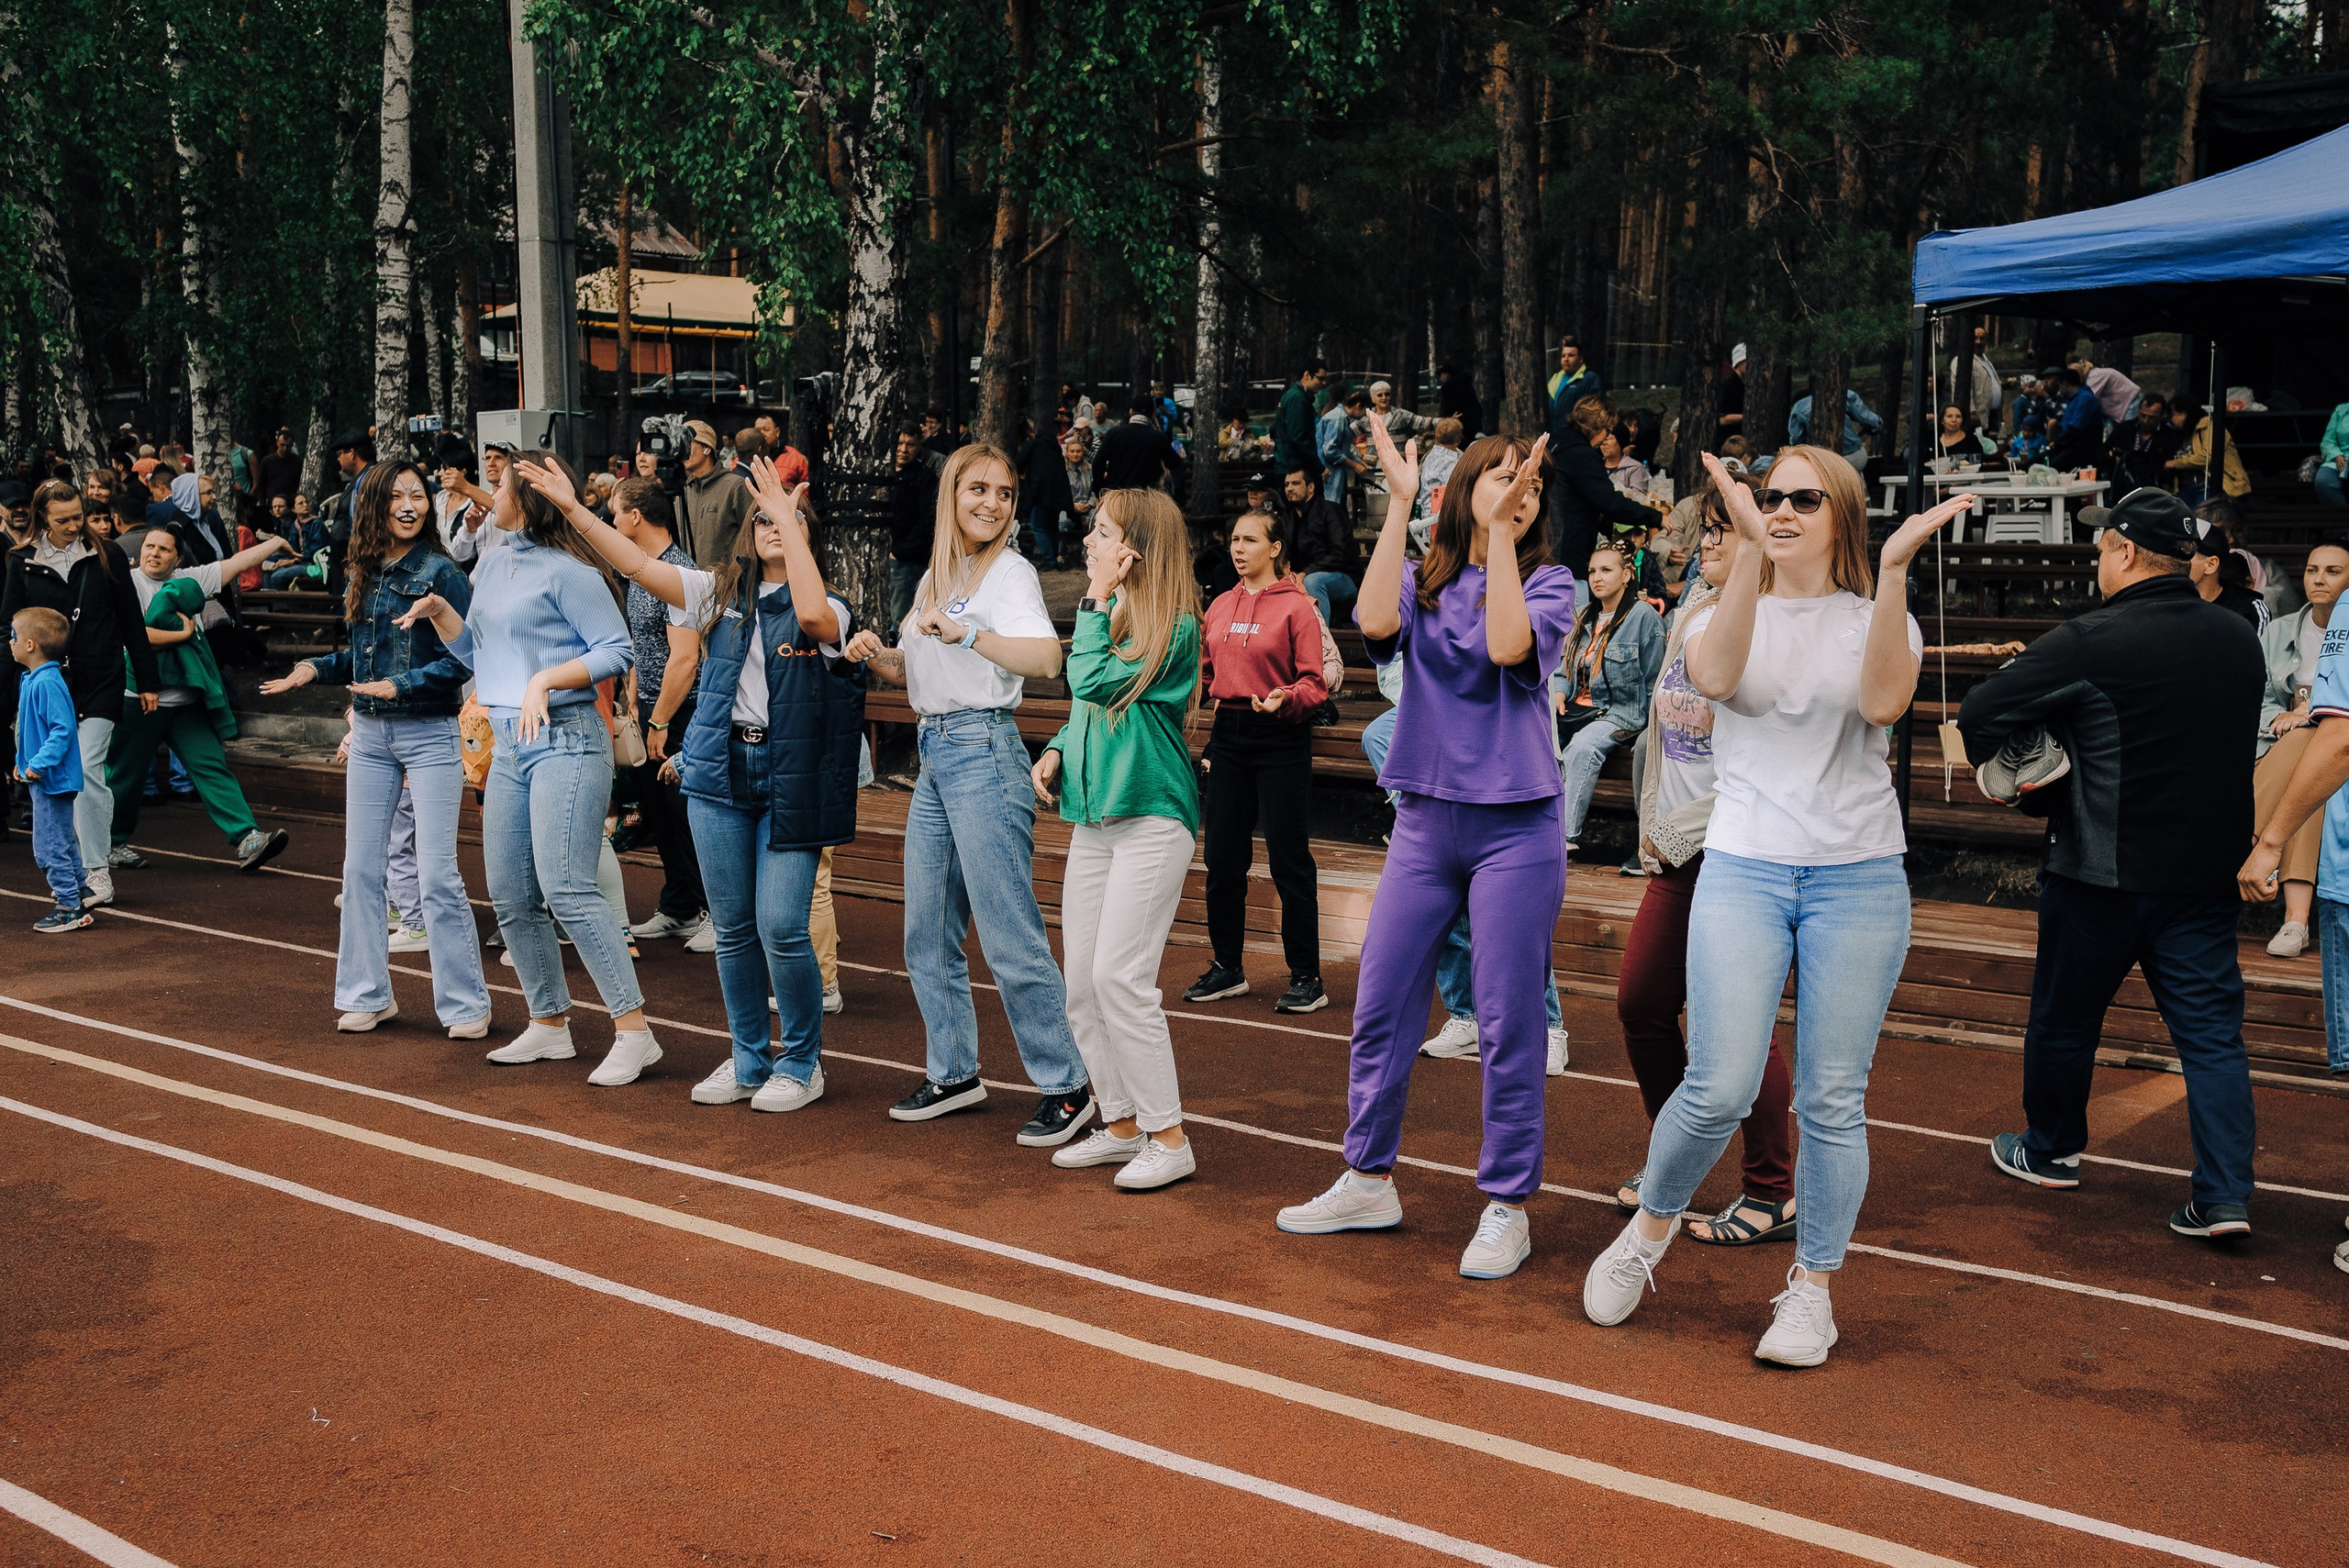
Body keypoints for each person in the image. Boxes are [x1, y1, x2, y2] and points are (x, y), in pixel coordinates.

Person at [1583, 446, 1965, 1366]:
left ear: (1841, 515)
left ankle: (1811, 1290)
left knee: (1835, 1099)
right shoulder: (1719, 607)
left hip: (1857, 875)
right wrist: (1749, 547)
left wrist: (1895, 573)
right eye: (1770, 497)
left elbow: (1881, 699)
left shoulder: (1880, 615)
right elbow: (1714, 682)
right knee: (1718, 1084)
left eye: (1804, 498)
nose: (1782, 509)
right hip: (1745, 864)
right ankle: (1646, 1234)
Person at [1276, 423, 1576, 1280]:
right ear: (1465, 487)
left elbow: (1508, 645)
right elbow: (1371, 620)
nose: (1519, 490)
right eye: (1501, 478)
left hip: (1517, 827)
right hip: (1425, 820)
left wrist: (1505, 541)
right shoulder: (1421, 578)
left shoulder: (1550, 581)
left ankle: (1508, 1202)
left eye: (1529, 484)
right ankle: (1368, 1175)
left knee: (1508, 1019)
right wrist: (1402, 501)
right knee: (1380, 1002)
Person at [511, 454, 861, 1114]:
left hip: (792, 778)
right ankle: (752, 1057)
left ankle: (804, 1061)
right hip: (719, 771)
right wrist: (575, 507)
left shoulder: (830, 605)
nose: (773, 524)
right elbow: (638, 565)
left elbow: (814, 620)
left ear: (807, 531)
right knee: (732, 927)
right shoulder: (719, 591)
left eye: (787, 517)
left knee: (782, 924)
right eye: (762, 516)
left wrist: (787, 511)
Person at [1957, 487, 2263, 1240]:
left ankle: (2051, 1149)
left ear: (2125, 550)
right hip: (2203, 876)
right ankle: (2224, 1197)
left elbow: (1978, 714)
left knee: (2064, 1024)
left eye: (2103, 544)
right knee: (2213, 1038)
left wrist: (2045, 754)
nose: (2099, 554)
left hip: (2098, 872)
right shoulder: (2238, 638)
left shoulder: (2092, 636)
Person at [842, 444, 1096, 1142]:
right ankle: (954, 1070)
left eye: (1006, 493)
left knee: (1009, 932)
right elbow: (922, 673)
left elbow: (1047, 659)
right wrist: (879, 655)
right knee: (926, 931)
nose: (992, 503)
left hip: (985, 752)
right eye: (978, 489)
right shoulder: (937, 575)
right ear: (951, 494)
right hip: (938, 754)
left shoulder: (1009, 572)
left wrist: (971, 631)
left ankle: (1068, 1084)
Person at [395, 450, 661, 1087]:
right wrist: (442, 616)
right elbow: (478, 654)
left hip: (567, 737)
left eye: (502, 483)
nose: (492, 489)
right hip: (510, 741)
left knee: (567, 887)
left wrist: (547, 678)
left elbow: (616, 649)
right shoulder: (494, 557)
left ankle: (635, 1031)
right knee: (511, 892)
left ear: (529, 495)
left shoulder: (571, 571)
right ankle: (549, 1022)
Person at [1614, 475, 1798, 1244]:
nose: (1710, 541)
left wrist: (1684, 828)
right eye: (1707, 529)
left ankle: (1773, 1188)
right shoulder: (1691, 611)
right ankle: (1678, 1157)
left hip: (1737, 845)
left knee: (1744, 1025)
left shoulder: (1774, 623)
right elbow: (1665, 739)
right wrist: (1655, 821)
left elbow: (1763, 760)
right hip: (1679, 845)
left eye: (1727, 528)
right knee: (1642, 1004)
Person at [257, 462, 488, 1038]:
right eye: (396, 495)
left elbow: (468, 659)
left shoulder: (443, 571)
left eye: (418, 494)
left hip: (430, 733)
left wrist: (400, 687)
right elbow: (364, 660)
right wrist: (313, 668)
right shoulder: (360, 569)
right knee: (361, 869)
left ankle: (467, 1006)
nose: (410, 504)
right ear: (373, 504)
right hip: (369, 734)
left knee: (437, 876)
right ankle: (367, 994)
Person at [1029, 487, 1204, 1191]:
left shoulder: (1175, 625)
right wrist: (1059, 746)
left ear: (1137, 547)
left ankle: (1170, 1134)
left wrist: (1095, 595)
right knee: (1081, 983)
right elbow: (1087, 707)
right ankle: (1123, 1121)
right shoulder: (1117, 612)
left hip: (1153, 817)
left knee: (1119, 980)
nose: (1090, 543)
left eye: (1102, 534)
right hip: (1097, 818)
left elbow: (1096, 678)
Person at [1185, 508, 1330, 1014]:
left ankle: (1307, 977)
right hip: (1229, 734)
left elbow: (1316, 682)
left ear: (1275, 548)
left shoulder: (1298, 607)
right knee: (1223, 858)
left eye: (1250, 539)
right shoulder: (1219, 605)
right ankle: (1228, 967)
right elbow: (1201, 679)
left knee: (1289, 859)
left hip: (1281, 735)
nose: (1238, 547)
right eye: (1234, 538)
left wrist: (1286, 698)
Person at [1, 480, 160, 909]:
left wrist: (146, 680)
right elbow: (9, 630)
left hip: (102, 679)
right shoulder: (22, 560)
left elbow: (131, 620)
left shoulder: (105, 555)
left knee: (88, 770)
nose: (74, 526)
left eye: (79, 516)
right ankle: (71, 870)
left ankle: (97, 871)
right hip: (50, 688)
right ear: (42, 519)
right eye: (63, 520)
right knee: (56, 776)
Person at [109, 527, 295, 871]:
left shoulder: (188, 579)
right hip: (139, 697)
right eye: (150, 546)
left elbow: (236, 564)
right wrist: (181, 632)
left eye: (164, 549)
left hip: (184, 701)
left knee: (211, 766)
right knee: (123, 775)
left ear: (177, 558)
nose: (154, 553)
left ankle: (247, 838)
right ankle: (110, 842)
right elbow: (134, 634)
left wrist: (273, 543)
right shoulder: (126, 583)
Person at [601, 474, 710, 954]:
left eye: (614, 512)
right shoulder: (642, 570)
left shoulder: (677, 572)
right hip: (651, 707)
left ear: (636, 516)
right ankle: (681, 906)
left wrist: (660, 722)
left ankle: (714, 912)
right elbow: (642, 643)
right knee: (663, 814)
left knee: (688, 814)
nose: (610, 520)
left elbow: (685, 659)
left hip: (680, 712)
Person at [2250, 541, 2349, 959]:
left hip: (2329, 742)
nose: (2319, 580)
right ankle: (2295, 919)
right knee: (2306, 764)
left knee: (2314, 773)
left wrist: (2311, 714)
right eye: (2312, 570)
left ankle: (2251, 848)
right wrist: (2281, 718)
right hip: (2277, 740)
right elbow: (2256, 696)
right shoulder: (2278, 630)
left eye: (2332, 571)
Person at [1553, 539, 1664, 849]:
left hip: (1621, 712)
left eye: (1606, 569)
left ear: (1627, 575)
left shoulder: (1643, 617)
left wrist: (1647, 725)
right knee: (1536, 741)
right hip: (1577, 710)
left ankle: (1564, 838)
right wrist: (1560, 693)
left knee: (1582, 748)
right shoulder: (1584, 616)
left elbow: (1655, 678)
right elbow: (1564, 669)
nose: (1597, 577)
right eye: (1591, 571)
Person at [12, 607, 92, 932]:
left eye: (14, 637)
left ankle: (68, 905)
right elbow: (31, 731)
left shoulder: (47, 682)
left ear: (30, 645)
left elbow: (62, 730)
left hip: (52, 779)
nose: (9, 641)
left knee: (48, 845)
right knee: (62, 838)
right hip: (45, 777)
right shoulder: (35, 679)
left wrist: (37, 766)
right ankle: (80, 890)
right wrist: (23, 765)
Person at [1550, 395, 1661, 590]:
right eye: (1608, 430)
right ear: (1597, 427)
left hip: (1546, 548)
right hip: (1568, 556)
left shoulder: (1555, 443)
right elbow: (1610, 503)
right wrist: (1655, 517)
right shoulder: (1581, 455)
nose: (1605, 438)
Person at [1280, 466, 1361, 628]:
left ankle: (1321, 643)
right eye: (1287, 484)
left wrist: (1305, 573)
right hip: (1302, 577)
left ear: (1310, 487)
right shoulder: (1288, 518)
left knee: (1313, 581)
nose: (1289, 488)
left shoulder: (1330, 511)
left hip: (1344, 577)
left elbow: (1340, 553)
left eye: (1295, 483)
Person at [679, 418, 758, 567]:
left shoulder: (735, 486)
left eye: (687, 443)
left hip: (724, 585)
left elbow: (752, 538)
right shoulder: (682, 492)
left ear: (706, 449)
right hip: (686, 585)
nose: (682, 450)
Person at [888, 423, 940, 631]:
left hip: (907, 559)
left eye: (910, 444)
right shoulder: (881, 473)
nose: (903, 449)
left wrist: (899, 552)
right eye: (900, 443)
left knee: (900, 616)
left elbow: (928, 521)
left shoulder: (925, 478)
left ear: (919, 447)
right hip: (885, 553)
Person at [1093, 395, 1182, 492]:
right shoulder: (1158, 437)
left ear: (1131, 411)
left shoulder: (1114, 433)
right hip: (1146, 497)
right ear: (1153, 413)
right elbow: (1173, 463)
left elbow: (1098, 463)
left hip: (1116, 496)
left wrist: (1099, 491)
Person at [2191, 527, 2267, 630]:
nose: (2172, 560)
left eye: (2184, 553)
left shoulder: (2248, 610)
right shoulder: (2167, 601)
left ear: (2210, 565)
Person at [1785, 387, 1881, 459]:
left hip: (1822, 460)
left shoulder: (1798, 408)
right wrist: (1876, 425)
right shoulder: (1845, 394)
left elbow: (1796, 440)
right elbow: (1871, 420)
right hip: (1853, 455)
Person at [1272, 361, 1327, 484]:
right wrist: (1319, 467)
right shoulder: (1298, 399)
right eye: (1320, 378)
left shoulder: (1294, 395)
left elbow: (1274, 429)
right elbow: (1298, 437)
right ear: (1307, 375)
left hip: (1289, 465)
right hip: (1295, 470)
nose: (1324, 383)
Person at [2045, 366, 2107, 472]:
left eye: (2060, 387)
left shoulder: (2085, 398)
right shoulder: (2074, 399)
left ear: (2064, 384)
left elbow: (2075, 429)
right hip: (2071, 443)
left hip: (2083, 446)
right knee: (2038, 460)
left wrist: (2058, 443)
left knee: (2054, 464)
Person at [2114, 394, 2180, 490]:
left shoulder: (2170, 436)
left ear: (2161, 416)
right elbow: (2102, 453)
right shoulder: (2125, 428)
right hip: (2124, 484)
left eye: (2152, 417)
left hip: (2155, 487)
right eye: (2143, 415)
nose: (2145, 420)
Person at [1318, 388, 1368, 506]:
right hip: (1329, 473)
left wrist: (1359, 461)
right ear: (1358, 405)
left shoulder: (1344, 418)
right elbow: (1330, 450)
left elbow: (1343, 449)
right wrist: (1354, 465)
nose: (1365, 414)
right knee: (1331, 509)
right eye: (1365, 410)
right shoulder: (1337, 418)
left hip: (1337, 475)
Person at [1416, 418, 1465, 519]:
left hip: (1426, 517)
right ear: (1458, 439)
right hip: (1443, 520)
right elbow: (1454, 494)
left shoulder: (1428, 457)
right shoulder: (1452, 462)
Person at [1546, 336, 1604, 416]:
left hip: (1575, 427)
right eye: (1563, 356)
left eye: (1571, 355)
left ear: (1581, 359)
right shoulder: (1555, 379)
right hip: (1553, 428)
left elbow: (1595, 411)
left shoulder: (1590, 379)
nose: (1566, 359)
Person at [1930, 403, 1996, 465]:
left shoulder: (1972, 440)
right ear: (1942, 420)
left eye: (1958, 416)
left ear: (1963, 420)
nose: (1954, 420)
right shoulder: (1934, 441)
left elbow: (1979, 462)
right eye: (1949, 416)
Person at [1435, 363, 1484, 441]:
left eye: (1441, 375)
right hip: (1473, 423)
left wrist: (1446, 420)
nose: (1440, 379)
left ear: (1446, 374)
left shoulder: (1448, 386)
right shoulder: (1467, 384)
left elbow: (1448, 408)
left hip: (1458, 423)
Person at [1598, 424, 1651, 495]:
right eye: (1602, 440)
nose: (1604, 443)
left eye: (1609, 439)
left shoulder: (1635, 468)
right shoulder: (1596, 465)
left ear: (1620, 443)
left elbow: (1638, 498)